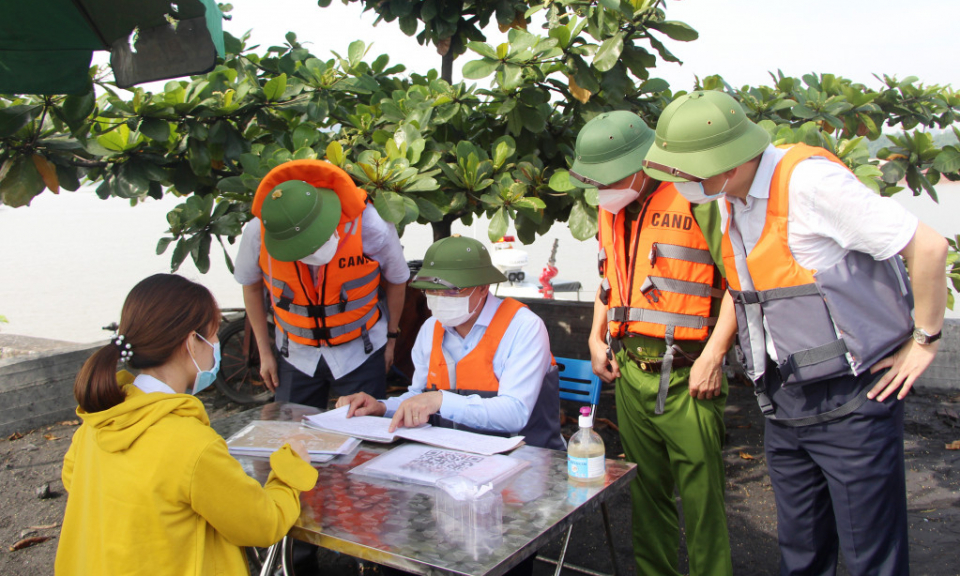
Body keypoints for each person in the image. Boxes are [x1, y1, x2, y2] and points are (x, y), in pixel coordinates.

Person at [643, 89, 949, 576]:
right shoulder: (731, 197)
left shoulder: (808, 183)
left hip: (853, 401)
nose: (677, 183)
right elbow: (748, 289)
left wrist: (924, 340)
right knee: (801, 551)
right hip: (784, 403)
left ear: (725, 161)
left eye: (684, 172)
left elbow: (928, 247)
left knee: (872, 556)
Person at [55, 274, 318, 576]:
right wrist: (290, 470)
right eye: (215, 335)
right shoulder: (192, 444)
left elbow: (73, 479)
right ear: (192, 342)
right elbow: (262, 525)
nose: (217, 345)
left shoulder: (99, 420)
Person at [568, 110, 735, 576]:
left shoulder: (697, 197)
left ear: (643, 164)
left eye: (611, 177)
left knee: (703, 503)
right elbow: (609, 279)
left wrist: (715, 356)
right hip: (629, 373)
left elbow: (743, 284)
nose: (603, 189)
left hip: (689, 376)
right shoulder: (611, 207)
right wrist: (594, 336)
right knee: (647, 495)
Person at [337, 234, 565, 449]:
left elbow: (515, 413)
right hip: (453, 454)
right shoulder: (430, 329)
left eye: (452, 290)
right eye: (433, 290)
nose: (440, 299)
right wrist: (382, 407)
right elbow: (418, 397)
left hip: (525, 459)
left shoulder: (524, 327)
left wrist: (441, 400)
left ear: (483, 288)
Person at [233, 159, 409, 409]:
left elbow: (397, 280)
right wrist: (264, 352)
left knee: (364, 437)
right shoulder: (260, 230)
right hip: (295, 355)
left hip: (361, 352)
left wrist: (391, 340)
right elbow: (250, 286)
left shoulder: (371, 225)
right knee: (293, 438)